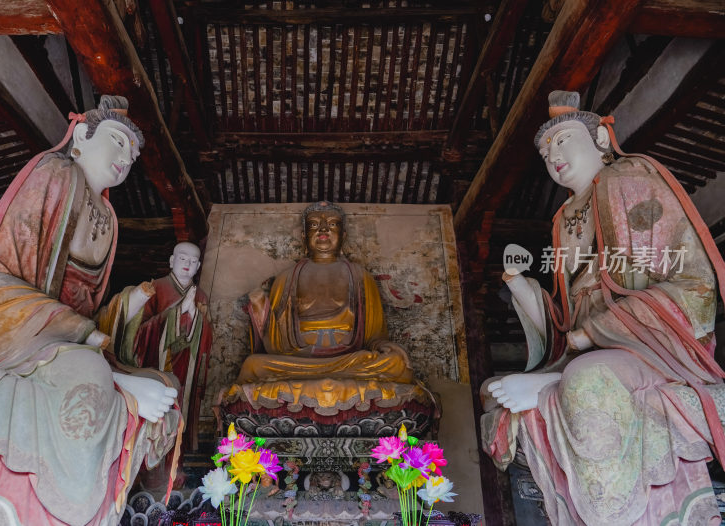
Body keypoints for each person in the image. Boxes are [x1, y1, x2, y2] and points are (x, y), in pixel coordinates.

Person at [0, 96, 181, 525]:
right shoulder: (56, 173)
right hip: (11, 323)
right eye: (118, 142)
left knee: (163, 381)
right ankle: (48, 510)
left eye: (132, 156)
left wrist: (106, 325)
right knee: (93, 373)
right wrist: (87, 340)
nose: (125, 159)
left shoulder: (110, 217)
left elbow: (91, 311)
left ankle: (113, 505)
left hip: (64, 336)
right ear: (81, 135)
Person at [481, 91, 725, 525]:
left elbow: (690, 284)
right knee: (491, 391)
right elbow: (565, 318)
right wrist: (521, 287)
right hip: (591, 343)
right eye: (544, 150)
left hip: (650, 341)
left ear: (600, 139)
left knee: (586, 378)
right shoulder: (561, 219)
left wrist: (591, 334)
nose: (551, 154)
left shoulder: (629, 177)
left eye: (562, 139)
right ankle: (552, 383)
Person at [226, 201, 424, 416]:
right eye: (314, 225)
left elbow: (374, 335)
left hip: (349, 359)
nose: (322, 229)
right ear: (303, 237)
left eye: (332, 224)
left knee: (395, 363)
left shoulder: (361, 276)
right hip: (298, 361)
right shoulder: (286, 278)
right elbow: (274, 341)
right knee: (253, 365)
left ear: (343, 235)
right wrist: (258, 305)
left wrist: (384, 345)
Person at [106, 241, 212, 451]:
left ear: (198, 266)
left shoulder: (201, 296)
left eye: (192, 261)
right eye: (182, 258)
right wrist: (174, 315)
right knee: (158, 410)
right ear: (172, 260)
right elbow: (135, 330)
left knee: (182, 405)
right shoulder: (156, 288)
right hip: (156, 361)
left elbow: (208, 337)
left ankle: (178, 457)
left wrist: (195, 318)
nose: (187, 264)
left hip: (186, 367)